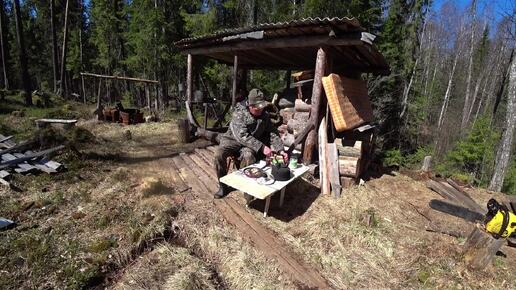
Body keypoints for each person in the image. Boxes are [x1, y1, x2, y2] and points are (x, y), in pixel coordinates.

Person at [214, 88, 288, 199]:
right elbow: (242, 136)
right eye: (257, 108)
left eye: (262, 107)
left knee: (249, 156)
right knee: (218, 154)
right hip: (232, 140)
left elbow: (273, 132)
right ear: (250, 105)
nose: (260, 110)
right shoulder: (239, 112)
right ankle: (223, 186)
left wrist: (280, 149)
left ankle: (248, 189)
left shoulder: (264, 115)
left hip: (249, 144)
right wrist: (262, 147)